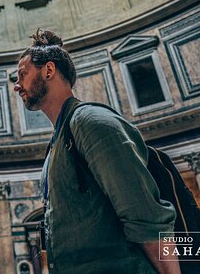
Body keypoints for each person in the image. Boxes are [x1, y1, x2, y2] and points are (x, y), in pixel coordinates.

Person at [13, 29, 180, 274]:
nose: (17, 86)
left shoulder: (90, 122)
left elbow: (147, 218)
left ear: (48, 70)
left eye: (22, 75)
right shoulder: (58, 143)